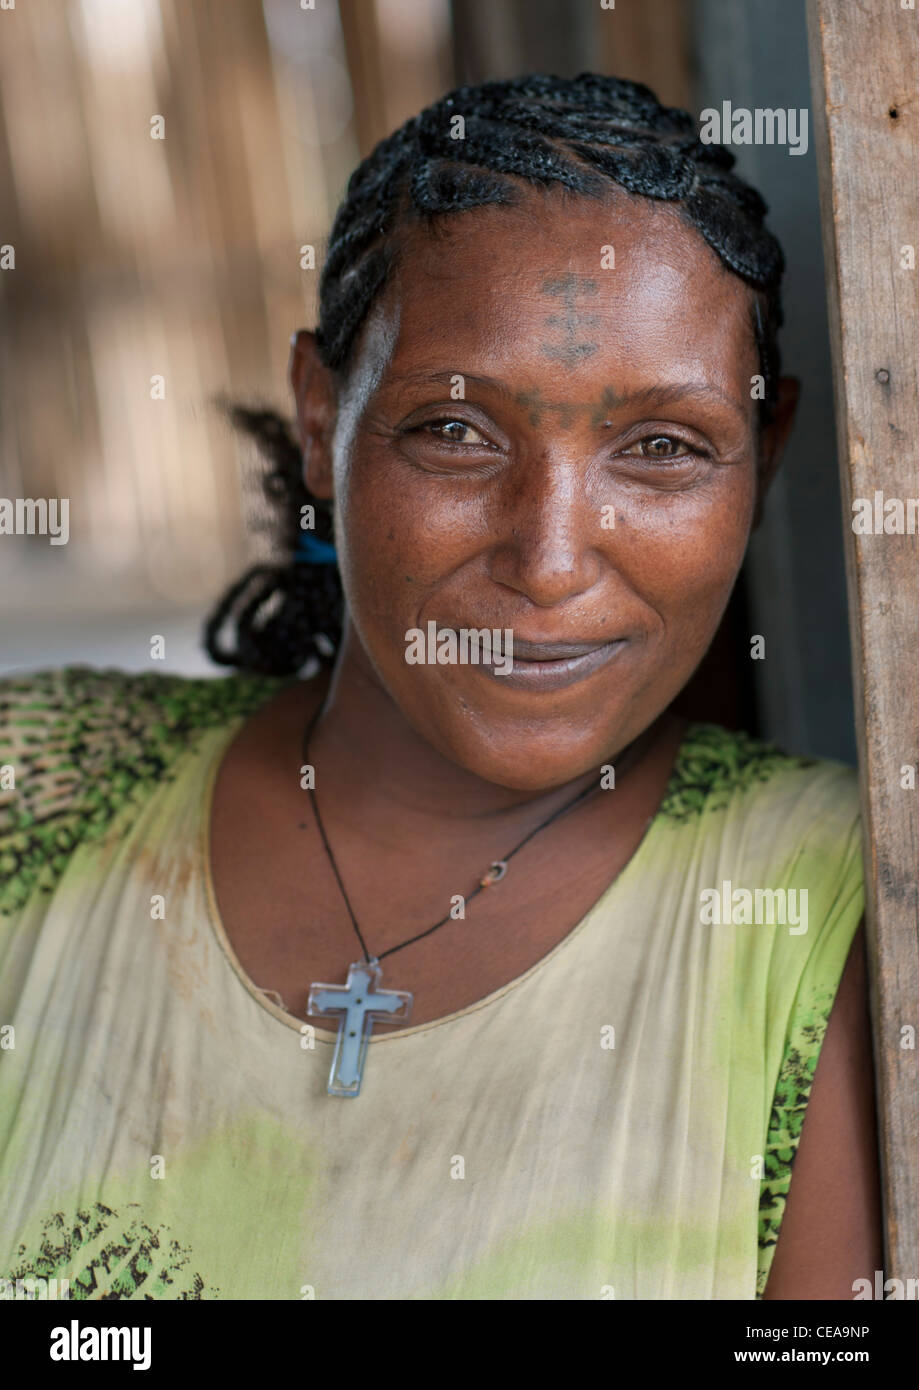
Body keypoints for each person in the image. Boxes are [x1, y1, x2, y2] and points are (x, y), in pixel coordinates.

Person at [0, 73, 880, 1300]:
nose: (552, 557)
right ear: (322, 419)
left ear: (762, 453)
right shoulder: (34, 791)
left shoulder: (840, 911)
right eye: (456, 431)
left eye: (663, 448)